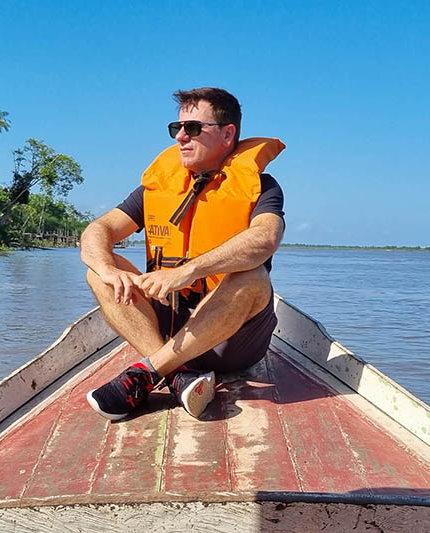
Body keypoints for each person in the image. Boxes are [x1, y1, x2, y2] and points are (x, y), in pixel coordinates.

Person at [80, 87, 285, 420]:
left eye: (193, 128)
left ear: (228, 134)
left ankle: (148, 373)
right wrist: (106, 267)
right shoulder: (159, 186)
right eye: (177, 129)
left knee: (253, 275)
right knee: (98, 270)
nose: (181, 138)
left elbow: (265, 238)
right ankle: (175, 375)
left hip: (230, 340)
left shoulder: (261, 186)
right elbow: (97, 230)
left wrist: (187, 271)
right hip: (167, 329)